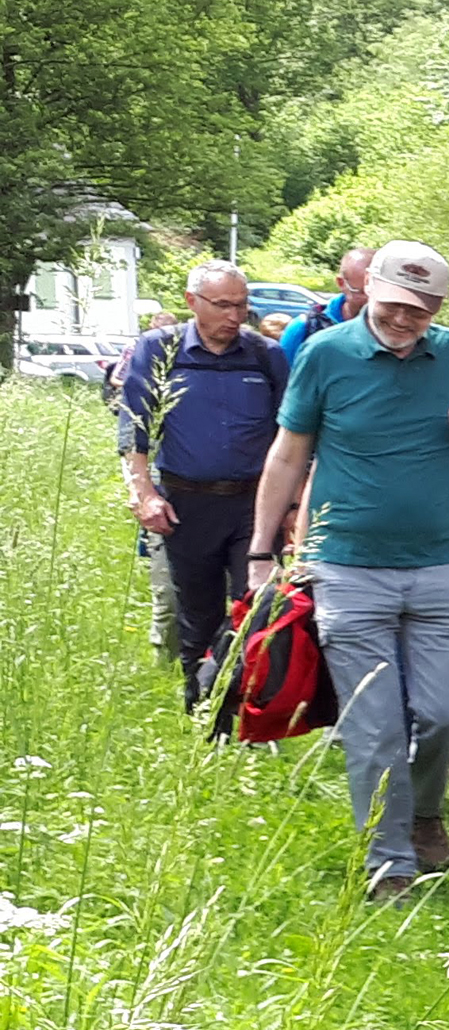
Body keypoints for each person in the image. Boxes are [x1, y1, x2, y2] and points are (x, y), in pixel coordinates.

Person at [247, 240, 449, 900]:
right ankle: (389, 864)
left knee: (448, 714)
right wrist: (260, 551)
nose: (402, 319)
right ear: (369, 291)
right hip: (347, 566)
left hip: (443, 565)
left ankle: (421, 811)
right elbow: (286, 455)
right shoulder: (325, 354)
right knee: (374, 727)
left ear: (439, 309)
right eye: (392, 305)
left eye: (419, 311)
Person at [116, 260, 290, 708]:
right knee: (195, 613)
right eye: (224, 305)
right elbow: (134, 427)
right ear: (193, 302)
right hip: (185, 502)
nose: (235, 316)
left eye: (242, 306)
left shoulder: (264, 354)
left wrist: (291, 508)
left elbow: (290, 433)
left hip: (253, 504)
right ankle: (201, 712)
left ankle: (234, 701)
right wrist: (143, 492)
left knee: (253, 605)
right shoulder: (160, 349)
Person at [281, 248, 376, 361]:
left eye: (379, 292)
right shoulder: (305, 328)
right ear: (341, 284)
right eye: (362, 292)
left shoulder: (396, 330)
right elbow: (282, 377)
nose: (371, 300)